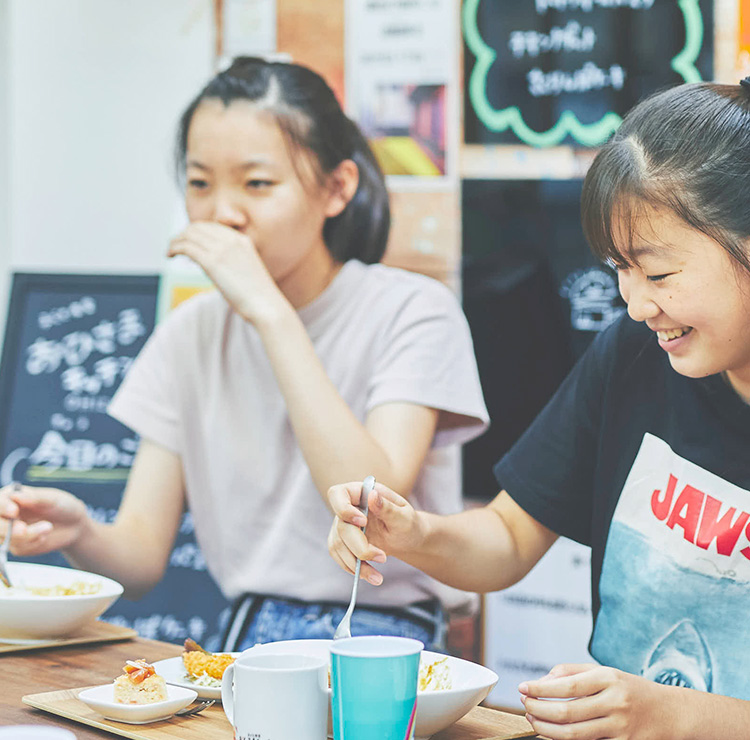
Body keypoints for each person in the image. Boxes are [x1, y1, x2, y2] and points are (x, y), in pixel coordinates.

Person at [0, 57, 488, 652]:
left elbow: (371, 503)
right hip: (247, 634)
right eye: (200, 183)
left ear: (337, 188)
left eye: (257, 184)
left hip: (392, 636)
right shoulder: (192, 332)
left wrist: (269, 312)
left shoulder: (414, 310)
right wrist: (78, 532)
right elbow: (140, 563)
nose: (222, 211)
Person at [328, 79, 750, 739]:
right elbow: (509, 539)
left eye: (660, 275)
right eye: (619, 270)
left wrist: (674, 715)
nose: (637, 305)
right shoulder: (634, 358)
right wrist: (414, 536)